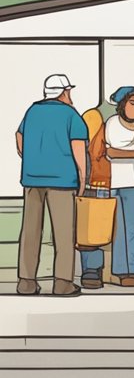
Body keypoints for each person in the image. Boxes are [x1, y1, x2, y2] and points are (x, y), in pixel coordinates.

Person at [15, 74, 88, 296]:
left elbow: (19, 136)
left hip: (32, 179)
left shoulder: (32, 111)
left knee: (30, 230)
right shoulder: (70, 115)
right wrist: (82, 179)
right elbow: (79, 151)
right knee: (64, 233)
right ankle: (63, 283)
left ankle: (26, 282)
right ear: (64, 92)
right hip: (62, 182)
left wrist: (30, 157)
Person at [103, 87, 134, 288]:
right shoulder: (111, 123)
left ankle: (133, 270)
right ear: (122, 104)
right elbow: (111, 152)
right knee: (118, 229)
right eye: (133, 103)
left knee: (132, 228)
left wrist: (133, 153)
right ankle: (121, 270)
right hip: (114, 182)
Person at [79, 103, 109, 288]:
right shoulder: (93, 116)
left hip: (94, 182)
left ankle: (91, 271)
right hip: (100, 181)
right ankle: (92, 271)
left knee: (91, 229)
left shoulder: (91, 115)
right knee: (95, 229)